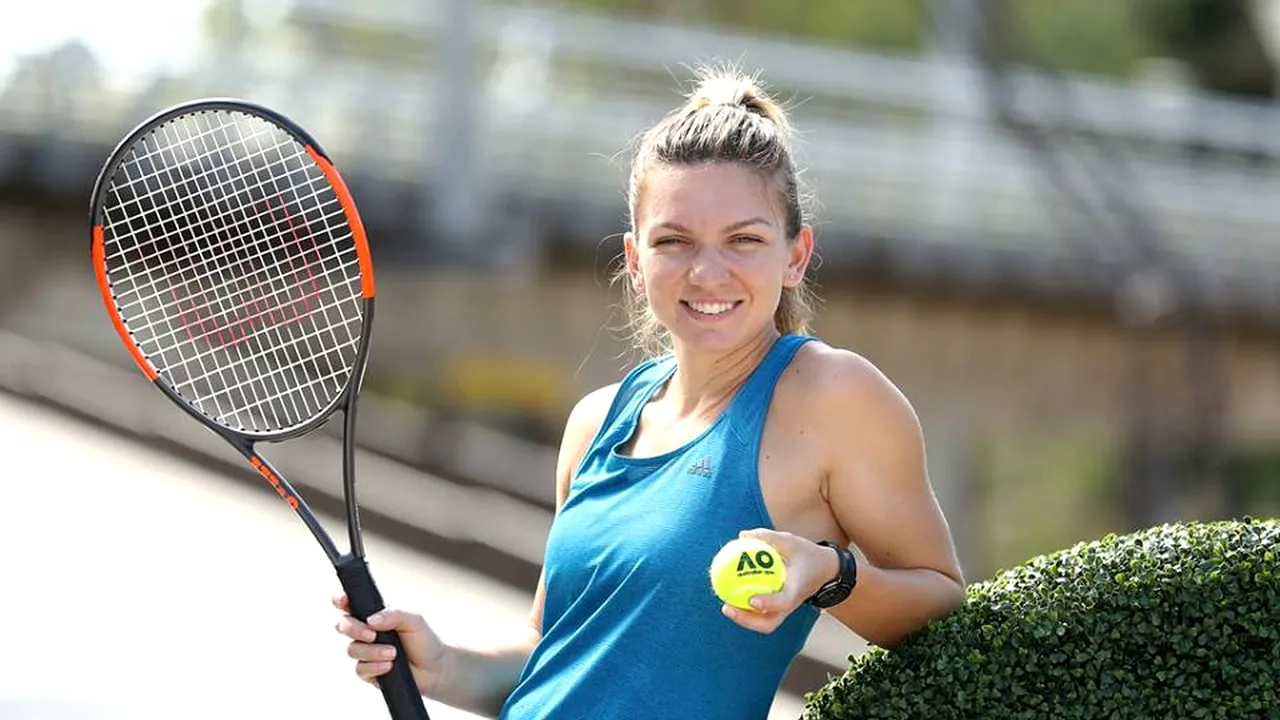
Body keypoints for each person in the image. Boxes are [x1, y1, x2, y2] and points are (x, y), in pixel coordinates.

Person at [334, 65, 967, 719]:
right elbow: (555, 655)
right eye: (675, 241)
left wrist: (829, 574)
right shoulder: (596, 420)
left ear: (795, 256)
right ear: (636, 263)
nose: (707, 271)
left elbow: (942, 601)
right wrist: (443, 666)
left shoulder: (836, 397)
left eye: (744, 240)